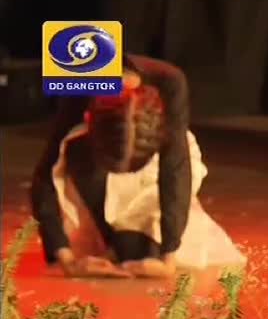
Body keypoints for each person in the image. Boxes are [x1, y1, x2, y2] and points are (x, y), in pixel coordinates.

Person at [30, 54, 245, 278]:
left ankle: (122, 236)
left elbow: (175, 166)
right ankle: (106, 234)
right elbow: (45, 174)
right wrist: (68, 261)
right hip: (89, 156)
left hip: (152, 166)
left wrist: (168, 259)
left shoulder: (169, 80)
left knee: (137, 251)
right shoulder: (81, 79)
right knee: (76, 154)